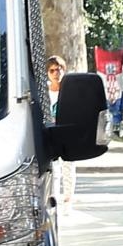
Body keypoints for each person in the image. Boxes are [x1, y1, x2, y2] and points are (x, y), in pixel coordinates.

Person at [47, 55, 75, 209]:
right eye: (52, 70)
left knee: (68, 166)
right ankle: (55, 196)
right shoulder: (44, 91)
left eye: (58, 69)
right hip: (51, 132)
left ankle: (68, 197)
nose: (55, 73)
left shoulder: (70, 89)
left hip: (66, 131)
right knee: (54, 168)